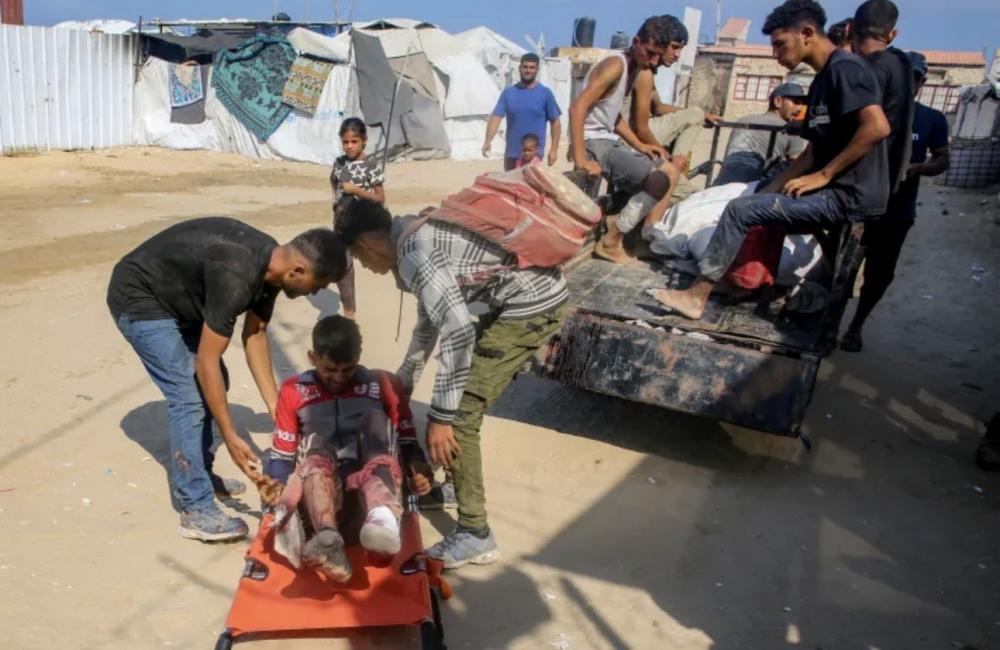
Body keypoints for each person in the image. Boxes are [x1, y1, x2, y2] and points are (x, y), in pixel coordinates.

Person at [334, 197, 569, 569]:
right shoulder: (410, 232)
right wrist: (405, 381)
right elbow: (429, 321)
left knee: (459, 418)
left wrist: (441, 418)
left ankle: (476, 534)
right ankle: (454, 486)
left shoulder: (414, 254)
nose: (367, 267)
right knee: (453, 403)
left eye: (360, 260)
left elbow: (458, 332)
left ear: (366, 245)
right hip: (518, 298)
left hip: (529, 308)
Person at [108, 218, 347, 541]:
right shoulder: (237, 276)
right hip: (140, 296)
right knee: (189, 396)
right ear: (297, 271)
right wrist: (231, 436)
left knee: (217, 381)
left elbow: (255, 333)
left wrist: (276, 406)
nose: (314, 293)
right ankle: (195, 506)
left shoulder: (272, 270)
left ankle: (200, 474)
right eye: (317, 285)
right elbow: (206, 361)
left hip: (182, 300)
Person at [649, 0, 891, 320]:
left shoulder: (846, 69)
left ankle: (696, 296)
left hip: (850, 194)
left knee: (739, 211)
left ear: (807, 34)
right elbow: (812, 152)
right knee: (751, 202)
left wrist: (824, 176)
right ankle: (741, 281)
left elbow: (877, 127)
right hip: (835, 189)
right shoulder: (822, 80)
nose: (775, 53)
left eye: (779, 44)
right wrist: (770, 189)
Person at [260, 315, 433, 582]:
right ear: (312, 357)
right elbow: (282, 456)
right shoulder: (294, 390)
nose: (339, 378)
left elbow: (407, 442)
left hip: (368, 499)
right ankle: (329, 541)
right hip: (320, 505)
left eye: (348, 370)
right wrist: (277, 488)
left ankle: (382, 518)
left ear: (358, 357)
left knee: (376, 422)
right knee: (314, 445)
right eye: (329, 370)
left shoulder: (382, 384)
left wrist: (419, 468)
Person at [841, 50, 949, 351]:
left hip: (897, 212)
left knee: (879, 275)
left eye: (913, 79)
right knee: (842, 270)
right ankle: (829, 325)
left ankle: (856, 326)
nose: (907, 84)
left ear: (921, 83)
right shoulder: (869, 113)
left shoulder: (932, 119)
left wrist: (918, 168)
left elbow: (942, 158)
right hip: (858, 206)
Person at [568, 15, 683, 263]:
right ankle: (612, 240)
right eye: (650, 53)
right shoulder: (616, 65)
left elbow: (613, 115)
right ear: (636, 42)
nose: (653, 61)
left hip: (607, 139)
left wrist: (640, 145)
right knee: (660, 180)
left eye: (657, 55)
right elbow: (577, 108)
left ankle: (630, 233)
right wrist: (580, 159)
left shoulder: (634, 68)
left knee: (669, 171)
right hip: (594, 142)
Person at [330, 118, 386, 319]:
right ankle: (349, 311)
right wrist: (336, 201)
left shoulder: (371, 164)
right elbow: (334, 181)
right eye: (345, 142)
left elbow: (380, 198)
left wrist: (356, 191)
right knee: (343, 265)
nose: (349, 146)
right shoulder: (339, 163)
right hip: (342, 223)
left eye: (354, 141)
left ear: (364, 141)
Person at [714, 82, 809, 185]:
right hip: (755, 188)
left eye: (802, 104)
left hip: (722, 182)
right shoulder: (790, 130)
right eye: (796, 102)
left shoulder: (744, 120)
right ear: (778, 101)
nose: (800, 109)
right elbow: (796, 166)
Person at [483, 53, 562, 170]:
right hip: (512, 153)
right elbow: (496, 117)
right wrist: (488, 140)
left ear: (537, 69)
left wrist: (554, 150)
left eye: (532, 67)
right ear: (520, 68)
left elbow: (555, 122)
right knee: (509, 181)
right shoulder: (508, 93)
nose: (528, 70)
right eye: (525, 67)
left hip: (534, 154)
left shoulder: (545, 94)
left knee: (531, 182)